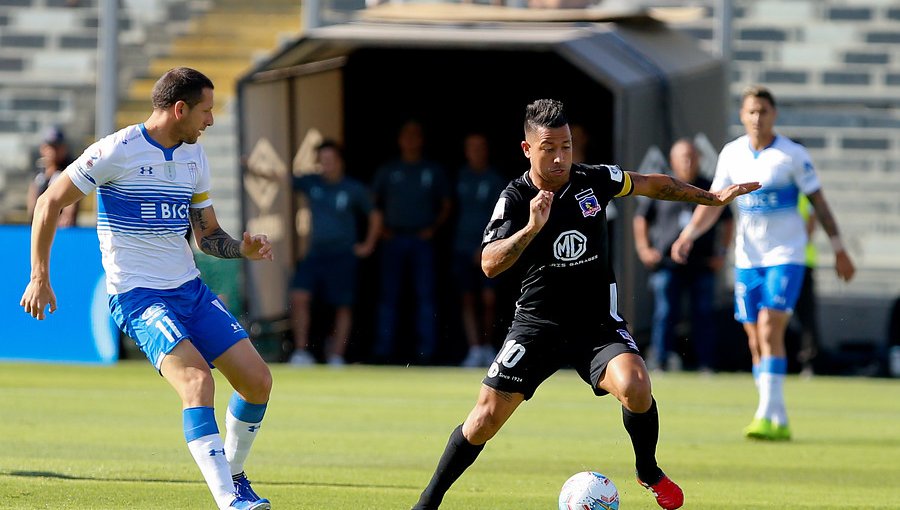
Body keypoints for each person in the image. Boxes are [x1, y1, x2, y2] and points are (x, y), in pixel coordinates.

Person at [410, 99, 759, 510]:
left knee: (636, 386)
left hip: (596, 326)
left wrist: (711, 198)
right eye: (548, 148)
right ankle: (427, 503)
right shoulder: (516, 197)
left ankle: (647, 469)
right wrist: (530, 229)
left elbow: (650, 182)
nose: (560, 158)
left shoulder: (595, 180)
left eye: (567, 146)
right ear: (527, 149)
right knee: (484, 419)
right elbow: (489, 263)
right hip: (537, 326)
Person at [20, 67, 275, 510]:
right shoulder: (116, 150)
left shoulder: (195, 157)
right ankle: (229, 502)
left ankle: (234, 478)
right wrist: (40, 275)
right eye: (206, 111)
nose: (210, 120)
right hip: (138, 295)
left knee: (257, 382)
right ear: (180, 109)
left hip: (189, 289)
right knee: (197, 382)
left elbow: (207, 235)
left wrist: (242, 248)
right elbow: (48, 202)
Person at [671, 85, 855, 441]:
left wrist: (838, 247)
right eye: (751, 112)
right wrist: (688, 235)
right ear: (742, 115)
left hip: (786, 255)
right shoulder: (731, 154)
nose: (757, 118)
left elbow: (818, 202)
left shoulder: (792, 155)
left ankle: (763, 414)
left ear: (775, 115)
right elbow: (715, 203)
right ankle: (777, 415)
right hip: (748, 258)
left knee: (771, 326)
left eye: (764, 111)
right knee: (755, 337)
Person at [633, 138, 733, 373]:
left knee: (703, 314)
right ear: (672, 161)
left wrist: (722, 252)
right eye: (682, 157)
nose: (688, 162)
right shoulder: (662, 186)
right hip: (667, 263)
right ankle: (660, 361)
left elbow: (728, 221)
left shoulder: (709, 189)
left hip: (702, 263)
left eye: (692, 157)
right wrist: (643, 249)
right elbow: (641, 219)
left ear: (699, 160)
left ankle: (706, 363)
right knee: (665, 312)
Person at [288, 139, 382, 367]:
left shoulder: (353, 188)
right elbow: (280, 177)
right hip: (315, 254)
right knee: (299, 296)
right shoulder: (312, 183)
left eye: (330, 160)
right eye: (322, 160)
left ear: (339, 161)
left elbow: (375, 215)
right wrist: (250, 166)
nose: (326, 164)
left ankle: (337, 356)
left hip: (343, 255)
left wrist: (367, 245)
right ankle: (301, 352)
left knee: (342, 305)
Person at [371, 119, 452, 364]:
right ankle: (384, 351)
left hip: (421, 240)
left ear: (422, 140)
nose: (410, 140)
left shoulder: (432, 170)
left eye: (415, 135)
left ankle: (427, 352)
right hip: (394, 238)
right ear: (399, 140)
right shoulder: (389, 170)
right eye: (406, 135)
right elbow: (372, 202)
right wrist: (381, 228)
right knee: (389, 297)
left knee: (425, 296)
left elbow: (447, 204)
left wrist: (433, 229)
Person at [452, 132, 506, 367]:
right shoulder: (460, 177)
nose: (476, 152)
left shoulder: (495, 180)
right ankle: (474, 348)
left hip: (488, 247)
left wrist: (485, 246)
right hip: (461, 246)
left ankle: (487, 345)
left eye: (480, 147)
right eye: (471, 147)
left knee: (488, 299)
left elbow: (502, 218)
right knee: (467, 298)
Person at [790, 194, 820, 377]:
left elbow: (811, 222)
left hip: (801, 262)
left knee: (806, 314)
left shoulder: (802, 194)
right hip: (776, 262)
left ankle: (809, 361)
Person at [27, 126, 79, 226]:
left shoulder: (69, 171)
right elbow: (32, 203)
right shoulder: (39, 172)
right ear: (43, 148)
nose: (53, 151)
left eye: (57, 147)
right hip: (39, 225)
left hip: (62, 230)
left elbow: (69, 212)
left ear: (64, 148)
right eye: (50, 147)